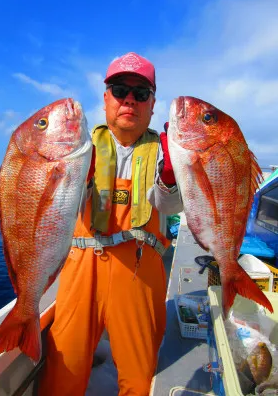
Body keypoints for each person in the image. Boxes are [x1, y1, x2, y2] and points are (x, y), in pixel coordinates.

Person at [38, 52, 183, 396]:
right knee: (64, 367)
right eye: (120, 90)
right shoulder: (78, 146)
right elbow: (55, 205)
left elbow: (170, 206)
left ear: (152, 104)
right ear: (106, 100)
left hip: (139, 268)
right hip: (81, 267)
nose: (129, 99)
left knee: (139, 374)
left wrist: (171, 177)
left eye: (141, 93)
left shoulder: (165, 151)